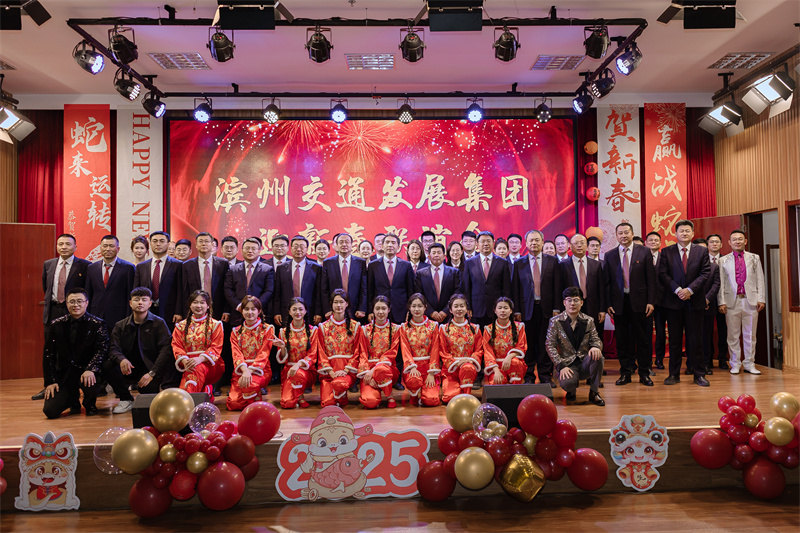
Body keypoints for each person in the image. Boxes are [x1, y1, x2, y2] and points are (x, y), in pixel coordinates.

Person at [35, 233, 91, 401]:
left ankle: (75, 385)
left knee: (74, 348)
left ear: (75, 247)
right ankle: (50, 384)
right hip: (53, 310)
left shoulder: (85, 266)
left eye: (68, 244)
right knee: (50, 349)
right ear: (57, 246)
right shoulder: (48, 264)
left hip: (74, 311)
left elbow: (86, 290)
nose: (64, 247)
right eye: (61, 244)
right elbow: (46, 287)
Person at [658, 220, 711, 387]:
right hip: (673, 303)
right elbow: (663, 274)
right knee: (674, 341)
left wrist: (690, 290)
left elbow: (705, 273)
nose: (684, 233)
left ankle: (699, 374)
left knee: (696, 340)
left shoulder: (702, 251)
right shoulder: (666, 251)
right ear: (675, 233)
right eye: (681, 231)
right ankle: (673, 375)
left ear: (693, 233)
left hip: (695, 303)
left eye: (688, 231)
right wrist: (677, 290)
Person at [42, 288, 109, 418]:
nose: (76, 305)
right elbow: (48, 355)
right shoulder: (56, 324)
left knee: (91, 381)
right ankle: (73, 401)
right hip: (65, 374)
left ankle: (89, 403)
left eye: (79, 301)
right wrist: (50, 381)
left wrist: (91, 369)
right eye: (72, 302)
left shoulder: (98, 324)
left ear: (86, 303)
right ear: (66, 303)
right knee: (50, 411)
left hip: (88, 372)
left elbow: (102, 349)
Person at [106, 287, 174, 414]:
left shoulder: (159, 323)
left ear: (150, 303)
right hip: (128, 368)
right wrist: (122, 360)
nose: (140, 302)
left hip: (150, 369)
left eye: (144, 300)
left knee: (148, 400)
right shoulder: (120, 325)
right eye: (136, 300)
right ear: (130, 303)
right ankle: (126, 399)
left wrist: (152, 373)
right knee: (107, 365)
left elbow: (166, 350)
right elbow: (113, 348)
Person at [605, 222, 657, 387]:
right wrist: (608, 303)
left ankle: (644, 373)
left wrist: (651, 301)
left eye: (626, 232)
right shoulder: (610, 255)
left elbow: (651, 279)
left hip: (641, 303)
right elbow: (607, 283)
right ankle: (625, 373)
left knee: (643, 340)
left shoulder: (644, 251)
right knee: (622, 340)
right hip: (619, 304)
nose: (623, 235)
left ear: (632, 233)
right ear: (616, 235)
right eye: (620, 233)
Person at [512, 229, 560, 385]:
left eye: (537, 240)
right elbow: (516, 289)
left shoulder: (552, 261)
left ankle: (545, 376)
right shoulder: (519, 263)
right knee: (529, 345)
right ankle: (529, 376)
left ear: (542, 242)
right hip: (526, 310)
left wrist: (556, 308)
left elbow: (557, 286)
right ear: (526, 244)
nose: (534, 243)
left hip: (547, 309)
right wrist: (517, 310)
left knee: (546, 343)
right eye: (531, 240)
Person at [546, 287, 605, 406]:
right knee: (568, 384)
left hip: (584, 363)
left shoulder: (589, 320)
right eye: (569, 300)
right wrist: (561, 365)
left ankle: (594, 392)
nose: (572, 303)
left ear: (582, 302)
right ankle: (571, 390)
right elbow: (549, 345)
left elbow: (596, 339)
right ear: (564, 303)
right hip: (566, 365)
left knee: (598, 356)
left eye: (576, 300)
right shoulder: (555, 322)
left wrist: (596, 346)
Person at [718, 229, 766, 375]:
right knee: (732, 335)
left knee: (750, 335)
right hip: (731, 302)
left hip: (750, 301)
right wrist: (721, 301)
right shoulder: (723, 260)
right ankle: (735, 363)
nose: (737, 241)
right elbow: (721, 283)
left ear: (745, 241)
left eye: (740, 239)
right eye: (734, 239)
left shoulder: (754, 258)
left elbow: (760, 279)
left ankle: (749, 364)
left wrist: (761, 298)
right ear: (729, 242)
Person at [227, 296, 284, 410]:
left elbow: (264, 354)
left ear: (259, 311)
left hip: (260, 370)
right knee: (233, 404)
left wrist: (250, 371)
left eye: (253, 309)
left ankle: (254, 394)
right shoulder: (235, 332)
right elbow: (236, 354)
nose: (250, 312)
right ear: (241, 311)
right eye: (246, 309)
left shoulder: (267, 329)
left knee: (250, 386)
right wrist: (245, 371)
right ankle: (254, 396)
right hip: (241, 370)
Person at [316, 290, 365, 407]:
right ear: (331, 304)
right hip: (329, 373)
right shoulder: (323, 327)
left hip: (347, 372)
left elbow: (357, 351)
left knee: (339, 384)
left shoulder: (355, 326)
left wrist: (346, 370)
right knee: (327, 403)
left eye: (341, 302)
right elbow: (321, 353)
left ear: (346, 303)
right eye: (335, 302)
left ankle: (341, 395)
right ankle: (340, 397)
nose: (338, 305)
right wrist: (331, 372)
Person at [172, 290, 225, 395]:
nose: (198, 306)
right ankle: (204, 393)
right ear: (190, 305)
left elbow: (216, 347)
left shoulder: (216, 324)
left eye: (202, 302)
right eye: (195, 302)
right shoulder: (181, 326)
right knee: (191, 377)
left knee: (196, 370)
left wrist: (200, 359)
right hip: (189, 363)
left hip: (209, 363)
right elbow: (177, 346)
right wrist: (185, 361)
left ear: (208, 305)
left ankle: (189, 400)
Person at [460, 230, 512, 327]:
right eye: (482, 241)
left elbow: (506, 288)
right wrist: (468, 306)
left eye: (488, 241)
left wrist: (505, 307)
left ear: (493, 243)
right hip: (476, 309)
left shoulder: (503, 263)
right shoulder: (469, 263)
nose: (486, 244)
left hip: (496, 310)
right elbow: (466, 288)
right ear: (477, 244)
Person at [558, 233, 605, 338]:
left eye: (582, 243)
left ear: (587, 246)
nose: (579, 245)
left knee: (594, 336)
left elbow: (601, 289)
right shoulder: (563, 265)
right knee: (573, 336)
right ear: (570, 246)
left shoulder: (596, 264)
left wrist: (602, 309)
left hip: (593, 307)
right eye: (576, 243)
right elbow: (559, 289)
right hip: (571, 307)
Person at [133, 231, 182, 331]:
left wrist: (179, 311)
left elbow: (181, 290)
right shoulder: (141, 267)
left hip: (170, 312)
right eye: (154, 241)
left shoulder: (178, 265)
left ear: (168, 244)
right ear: (150, 244)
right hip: (146, 311)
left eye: (162, 241)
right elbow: (136, 291)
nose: (158, 244)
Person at [357, 297, 400, 409]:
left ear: (389, 310)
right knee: (370, 402)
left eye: (383, 308)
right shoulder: (364, 329)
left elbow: (392, 353)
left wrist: (374, 372)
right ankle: (378, 390)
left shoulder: (396, 329)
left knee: (381, 370)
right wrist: (368, 374)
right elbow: (362, 353)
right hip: (369, 371)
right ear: (373, 310)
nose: (380, 312)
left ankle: (389, 395)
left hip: (388, 370)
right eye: (377, 308)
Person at [438, 294, 482, 403]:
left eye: (462, 306)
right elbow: (443, 352)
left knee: (467, 368)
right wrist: (456, 363)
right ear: (450, 310)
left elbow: (479, 350)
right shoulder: (444, 329)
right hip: (451, 370)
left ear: (467, 309)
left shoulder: (475, 328)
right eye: (456, 306)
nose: (459, 309)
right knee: (450, 398)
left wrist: (468, 360)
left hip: (468, 366)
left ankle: (467, 395)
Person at [86, 235, 136, 330]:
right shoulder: (92, 268)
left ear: (118, 249)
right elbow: (88, 293)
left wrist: (129, 318)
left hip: (119, 316)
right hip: (96, 315)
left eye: (111, 246)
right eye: (105, 246)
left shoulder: (128, 268)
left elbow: (130, 295)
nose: (108, 249)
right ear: (100, 248)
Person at [399, 293, 441, 407]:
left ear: (425, 307)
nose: (416, 309)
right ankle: (414, 395)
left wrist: (431, 372)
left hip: (428, 367)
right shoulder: (404, 327)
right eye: (414, 306)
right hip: (413, 368)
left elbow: (435, 349)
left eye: (419, 306)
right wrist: (412, 366)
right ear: (409, 307)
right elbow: (405, 349)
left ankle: (425, 394)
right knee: (413, 380)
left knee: (432, 400)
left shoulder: (433, 326)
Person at [277, 297, 318, 409]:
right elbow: (283, 359)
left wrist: (298, 364)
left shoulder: (313, 331)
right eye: (294, 309)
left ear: (305, 311)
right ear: (289, 312)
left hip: (306, 371)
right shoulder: (283, 332)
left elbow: (313, 355)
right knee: (287, 403)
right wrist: (282, 347)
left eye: (300, 309)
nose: (297, 312)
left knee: (298, 374)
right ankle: (297, 396)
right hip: (289, 372)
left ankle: (300, 396)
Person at [225, 237, 275, 328]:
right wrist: (239, 306)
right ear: (241, 250)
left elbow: (269, 291)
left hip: (259, 315)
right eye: (247, 248)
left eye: (253, 248)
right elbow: (228, 289)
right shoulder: (233, 269)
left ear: (259, 251)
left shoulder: (267, 269)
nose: (250, 251)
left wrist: (255, 307)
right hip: (238, 314)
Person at [179, 232, 229, 322]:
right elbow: (184, 291)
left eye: (206, 241)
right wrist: (183, 311)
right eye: (200, 241)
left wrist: (226, 310)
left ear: (212, 245)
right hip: (195, 308)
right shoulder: (187, 265)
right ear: (196, 245)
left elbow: (227, 288)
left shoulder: (223, 264)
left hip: (218, 308)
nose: (203, 244)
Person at [273, 235, 322, 326]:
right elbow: (277, 293)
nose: (298, 249)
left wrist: (318, 312)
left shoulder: (316, 268)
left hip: (309, 312)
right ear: (290, 248)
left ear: (307, 249)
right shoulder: (281, 268)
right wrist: (276, 312)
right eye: (295, 246)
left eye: (302, 247)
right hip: (286, 312)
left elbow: (319, 292)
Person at [367, 233, 415, 324]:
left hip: (401, 310)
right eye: (387, 242)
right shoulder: (373, 265)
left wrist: (410, 310)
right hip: (379, 310)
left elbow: (411, 290)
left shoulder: (406, 265)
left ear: (398, 247)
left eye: (393, 243)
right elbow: (370, 290)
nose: (390, 245)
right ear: (382, 246)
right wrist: (370, 310)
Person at [321, 233, 368, 319]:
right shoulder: (328, 263)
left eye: (347, 242)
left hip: (355, 309)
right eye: (341, 242)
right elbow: (324, 289)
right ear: (336, 245)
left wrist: (362, 308)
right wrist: (327, 309)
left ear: (352, 244)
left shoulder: (360, 263)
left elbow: (364, 288)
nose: (344, 244)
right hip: (335, 309)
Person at [483, 297, 527, 385]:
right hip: (496, 366)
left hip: (513, 364)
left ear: (511, 311)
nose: (502, 310)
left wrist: (509, 357)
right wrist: (496, 370)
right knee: (496, 382)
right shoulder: (488, 329)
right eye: (500, 308)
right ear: (495, 311)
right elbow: (488, 352)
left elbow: (521, 346)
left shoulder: (519, 327)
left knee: (515, 362)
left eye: (505, 308)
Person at [694, 238, 721, 376]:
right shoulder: (688, 266)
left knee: (706, 336)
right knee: (693, 337)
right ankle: (692, 364)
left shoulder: (714, 267)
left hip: (707, 306)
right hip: (691, 305)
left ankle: (706, 363)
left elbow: (716, 285)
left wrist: (706, 299)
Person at [414, 243, 460, 322]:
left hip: (449, 315)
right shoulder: (420, 273)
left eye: (439, 252)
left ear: (444, 256)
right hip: (427, 316)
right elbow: (419, 295)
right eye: (434, 253)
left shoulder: (454, 272)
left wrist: (446, 311)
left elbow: (457, 293)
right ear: (429, 256)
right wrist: (431, 311)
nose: (436, 255)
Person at [705, 234, 729, 370]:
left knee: (723, 331)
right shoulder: (702, 261)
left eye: (717, 242)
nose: (714, 244)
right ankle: (708, 360)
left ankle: (722, 359)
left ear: (721, 244)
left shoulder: (727, 260)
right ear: (707, 245)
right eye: (712, 242)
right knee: (707, 332)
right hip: (708, 300)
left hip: (724, 301)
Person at [645, 231, 667, 370]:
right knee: (646, 333)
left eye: (656, 240)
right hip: (645, 301)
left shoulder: (665, 257)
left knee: (660, 332)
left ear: (660, 243)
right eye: (651, 240)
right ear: (646, 243)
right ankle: (646, 362)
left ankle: (659, 359)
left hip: (662, 301)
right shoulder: (641, 257)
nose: (653, 242)